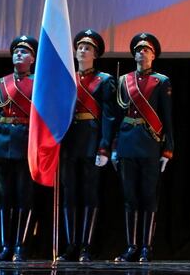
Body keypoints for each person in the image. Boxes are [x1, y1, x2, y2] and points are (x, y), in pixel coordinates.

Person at [111, 32, 173, 263]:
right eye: (138, 49)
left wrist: (168, 149)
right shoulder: (123, 81)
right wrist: (115, 147)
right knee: (130, 197)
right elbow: (117, 116)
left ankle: (146, 247)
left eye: (145, 49)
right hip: (127, 142)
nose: (141, 53)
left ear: (153, 54)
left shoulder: (161, 81)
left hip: (149, 144)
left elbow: (167, 118)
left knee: (148, 197)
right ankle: (131, 246)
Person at [56, 29, 115, 262]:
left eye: (88, 47)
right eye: (80, 47)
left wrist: (104, 147)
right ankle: (70, 244)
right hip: (70, 140)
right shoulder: (67, 77)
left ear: (96, 54)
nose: (82, 50)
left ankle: (86, 247)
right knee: (70, 194)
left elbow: (109, 117)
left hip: (91, 139)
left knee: (90, 194)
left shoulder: (104, 80)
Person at [0, 35, 38, 262]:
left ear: (33, 58)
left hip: (26, 143)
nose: (18, 54)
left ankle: (20, 246)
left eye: (24, 51)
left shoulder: (38, 82)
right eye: (16, 50)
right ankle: (6, 246)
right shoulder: (0, 84)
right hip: (1, 144)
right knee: (6, 198)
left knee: (25, 197)